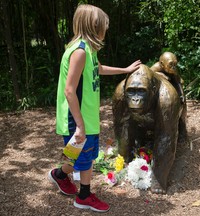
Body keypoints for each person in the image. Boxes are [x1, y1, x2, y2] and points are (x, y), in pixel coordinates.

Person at [48, 4, 141, 213]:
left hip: (86, 117)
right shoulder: (79, 52)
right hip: (78, 119)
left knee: (78, 155)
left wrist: (124, 70)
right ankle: (84, 196)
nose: (105, 31)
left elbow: (98, 69)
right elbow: (70, 91)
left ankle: (60, 175)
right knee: (86, 159)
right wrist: (79, 125)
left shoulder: (87, 50)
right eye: (104, 27)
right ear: (94, 27)